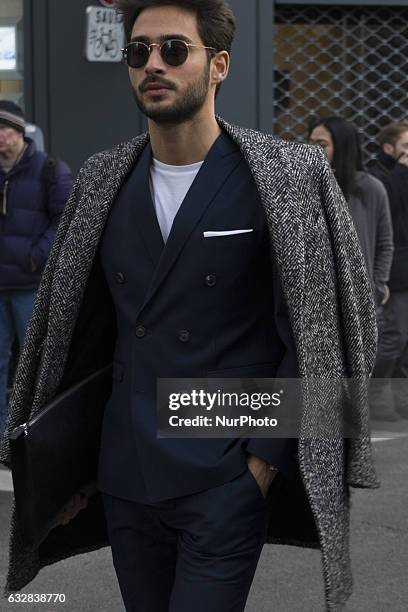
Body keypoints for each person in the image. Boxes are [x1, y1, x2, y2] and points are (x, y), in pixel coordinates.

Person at [0, 2, 378, 611]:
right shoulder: (100, 181)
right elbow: (77, 335)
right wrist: (69, 467)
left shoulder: (286, 176)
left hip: (222, 475)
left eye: (174, 50)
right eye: (139, 52)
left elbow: (323, 335)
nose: (153, 64)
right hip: (125, 477)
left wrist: (261, 465)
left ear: (219, 65)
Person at [308, 116, 396, 422]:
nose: (313, 149)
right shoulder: (304, 186)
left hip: (359, 299)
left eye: (321, 144)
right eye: (311, 142)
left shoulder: (369, 188)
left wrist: (377, 285)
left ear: (341, 147)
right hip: (315, 297)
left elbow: (385, 242)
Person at [0, 101, 72, 436]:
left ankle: (30, 435)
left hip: (30, 286)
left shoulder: (49, 170)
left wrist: (35, 255)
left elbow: (64, 220)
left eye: (7, 129)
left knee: (35, 366)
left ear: (21, 132)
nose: (1, 137)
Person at [368, 121, 408, 420]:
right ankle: (371, 397)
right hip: (395, 273)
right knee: (393, 337)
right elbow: (390, 222)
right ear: (389, 148)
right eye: (405, 147)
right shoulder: (379, 178)